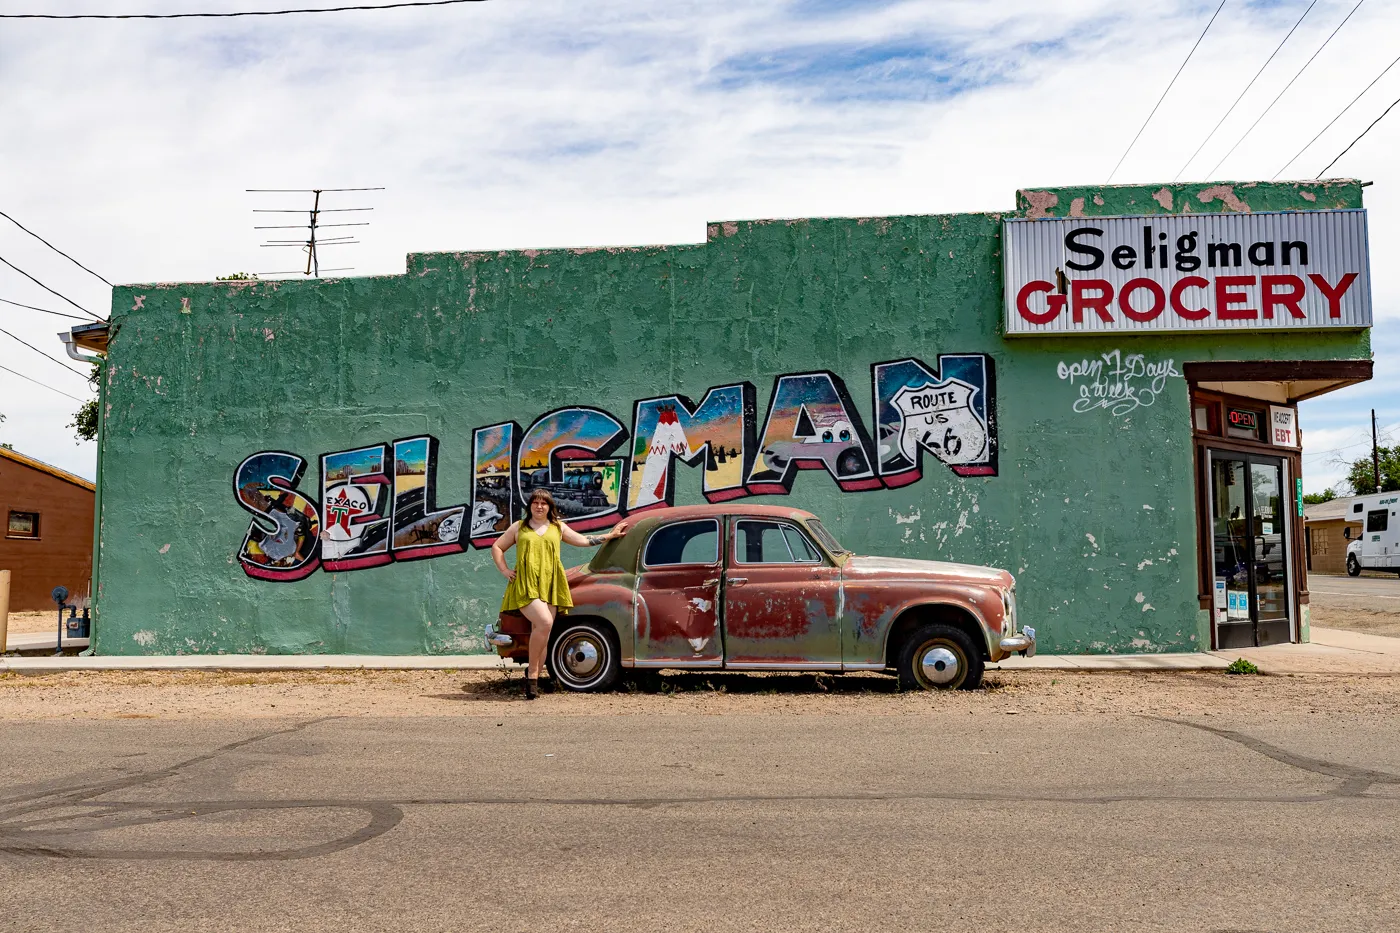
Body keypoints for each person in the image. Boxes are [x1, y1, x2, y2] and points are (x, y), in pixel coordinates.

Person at [491, 488, 628, 699]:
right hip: (526, 585)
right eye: (535, 503)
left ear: (549, 507)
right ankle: (533, 674)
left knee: (544, 635)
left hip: (551, 584)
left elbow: (583, 540)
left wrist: (610, 535)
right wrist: (505, 570)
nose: (539, 506)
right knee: (544, 622)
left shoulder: (558, 527)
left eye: (543, 503)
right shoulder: (519, 527)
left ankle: (533, 678)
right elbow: (497, 547)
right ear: (530, 506)